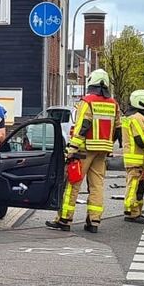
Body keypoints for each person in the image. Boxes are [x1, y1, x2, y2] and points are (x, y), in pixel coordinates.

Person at [47, 69, 120, 233]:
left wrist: (72, 148)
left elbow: (82, 126)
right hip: (103, 151)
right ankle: (94, 222)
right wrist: (108, 144)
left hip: (84, 149)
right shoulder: (113, 104)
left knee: (73, 183)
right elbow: (118, 129)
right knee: (97, 186)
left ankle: (64, 219)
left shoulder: (87, 101)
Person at [121, 89, 144, 224]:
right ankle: (131, 212)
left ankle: (135, 212)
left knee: (138, 186)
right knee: (134, 186)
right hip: (136, 158)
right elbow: (140, 140)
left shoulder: (129, 117)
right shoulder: (137, 118)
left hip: (134, 158)